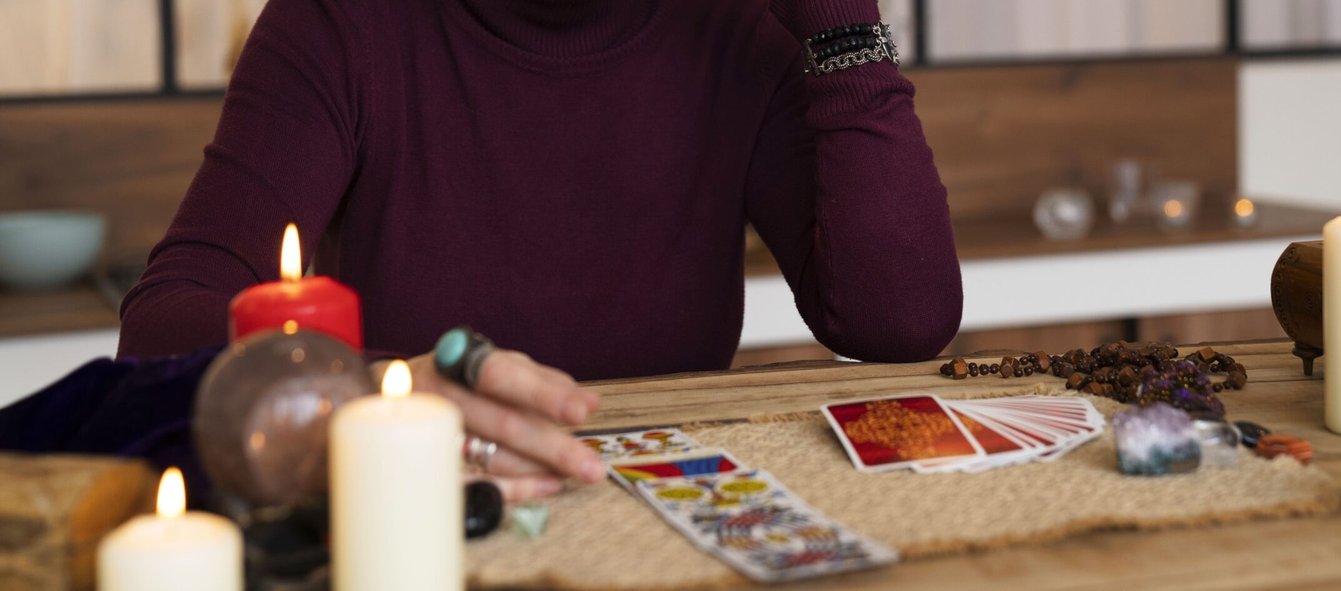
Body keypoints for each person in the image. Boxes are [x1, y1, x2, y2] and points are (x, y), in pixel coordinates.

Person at [118, 0, 962, 500]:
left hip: (675, 531)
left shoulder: (738, 31)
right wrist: (377, 395)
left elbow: (901, 319)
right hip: (419, 510)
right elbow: (162, 322)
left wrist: (844, 25)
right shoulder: (340, 24)